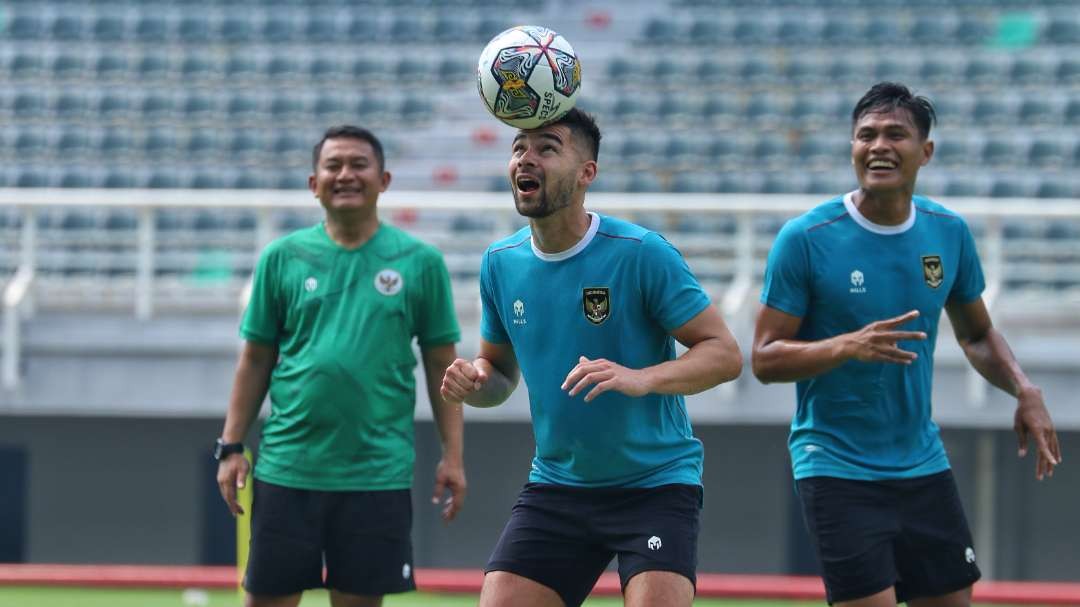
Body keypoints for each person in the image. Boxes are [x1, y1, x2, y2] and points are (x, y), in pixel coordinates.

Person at [752, 82, 1063, 607]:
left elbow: (977, 333)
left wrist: (1023, 388)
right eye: (865, 135)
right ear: (851, 148)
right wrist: (845, 346)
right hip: (835, 466)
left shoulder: (948, 233)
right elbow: (763, 359)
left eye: (896, 134)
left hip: (922, 464)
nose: (878, 146)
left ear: (926, 151)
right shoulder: (806, 238)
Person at [440, 108, 744, 607]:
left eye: (547, 147)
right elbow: (498, 374)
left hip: (655, 484)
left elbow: (725, 355)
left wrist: (641, 378)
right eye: (519, 147)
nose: (526, 158)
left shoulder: (641, 251)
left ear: (587, 173)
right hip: (558, 485)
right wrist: (476, 382)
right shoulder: (500, 263)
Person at [214, 125, 466, 607]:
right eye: (333, 166)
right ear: (314, 183)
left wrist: (453, 456)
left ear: (384, 179)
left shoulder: (421, 263)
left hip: (377, 474)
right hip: (287, 469)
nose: (345, 174)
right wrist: (230, 446)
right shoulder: (281, 258)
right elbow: (255, 358)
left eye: (358, 164)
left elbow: (442, 367)